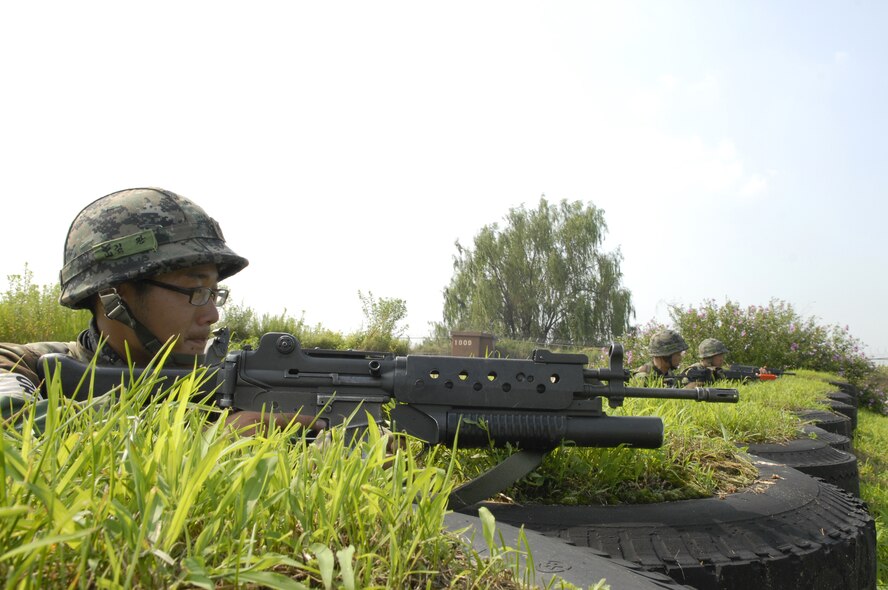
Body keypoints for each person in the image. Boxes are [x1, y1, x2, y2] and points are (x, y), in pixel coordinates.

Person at [0, 187, 322, 436]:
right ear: (115, 294)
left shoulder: (232, 380)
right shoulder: (21, 365)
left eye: (213, 294)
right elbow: (13, 424)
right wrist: (204, 440)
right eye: (195, 291)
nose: (212, 315)